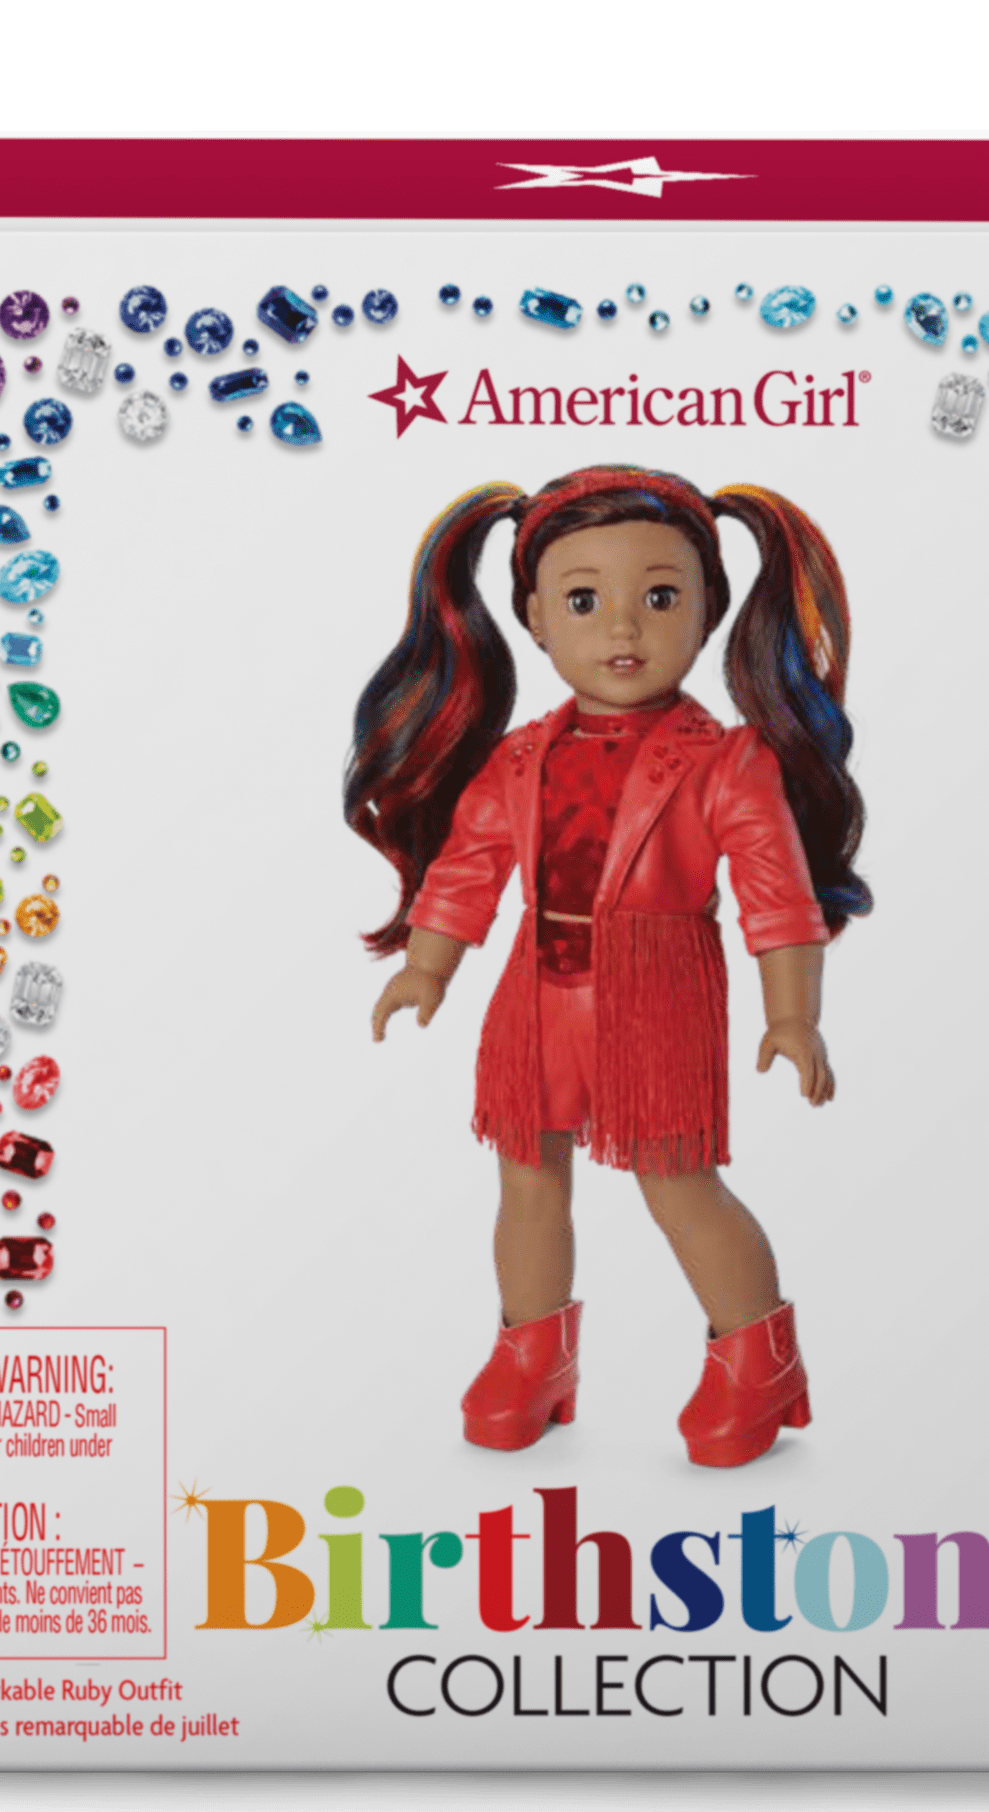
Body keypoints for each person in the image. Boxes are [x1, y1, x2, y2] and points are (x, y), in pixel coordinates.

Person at [345, 466, 870, 1467]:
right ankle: (531, 1356)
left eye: (661, 596)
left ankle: (756, 1361)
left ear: (709, 610)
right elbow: (469, 864)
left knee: (679, 1184)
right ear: (536, 619)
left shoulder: (726, 761)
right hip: (534, 992)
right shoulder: (518, 756)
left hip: (657, 993)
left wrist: (792, 1015)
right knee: (526, 1178)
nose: (622, 625)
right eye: (583, 599)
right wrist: (428, 964)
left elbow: (775, 895)